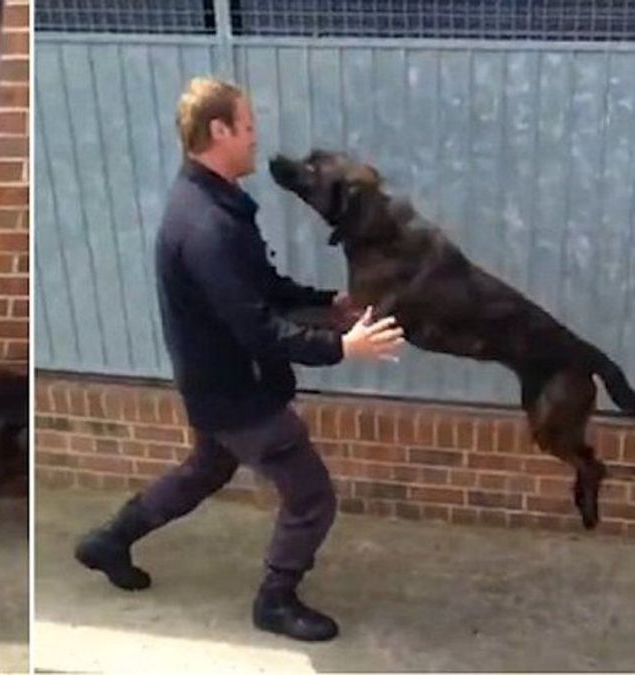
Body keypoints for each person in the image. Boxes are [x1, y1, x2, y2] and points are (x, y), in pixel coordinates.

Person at [74, 77, 405, 642]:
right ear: (219, 130)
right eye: (247, 127)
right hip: (239, 395)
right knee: (311, 497)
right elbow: (255, 327)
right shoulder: (207, 225)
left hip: (215, 388)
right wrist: (341, 348)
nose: (255, 139)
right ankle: (275, 600)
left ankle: (110, 541)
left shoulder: (213, 205)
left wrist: (329, 305)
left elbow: (262, 289)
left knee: (206, 469)